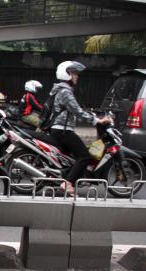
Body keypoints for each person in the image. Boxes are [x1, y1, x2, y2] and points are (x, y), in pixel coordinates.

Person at [49, 61, 113, 196]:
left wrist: (93, 115)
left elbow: (77, 110)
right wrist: (97, 120)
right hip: (63, 130)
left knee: (71, 158)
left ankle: (66, 178)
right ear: (66, 74)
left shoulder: (62, 89)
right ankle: (67, 183)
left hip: (60, 129)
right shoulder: (65, 91)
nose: (76, 76)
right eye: (73, 73)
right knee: (84, 156)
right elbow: (77, 111)